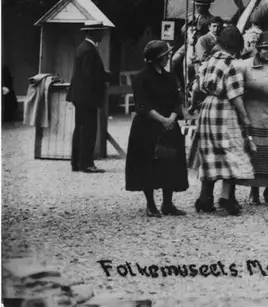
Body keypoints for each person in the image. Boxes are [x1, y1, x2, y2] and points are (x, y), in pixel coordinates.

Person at [189, 27, 257, 216]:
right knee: (232, 153)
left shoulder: (208, 60)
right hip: (225, 110)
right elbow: (235, 95)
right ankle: (226, 199)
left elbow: (196, 87)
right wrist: (245, 118)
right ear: (236, 45)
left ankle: (204, 198)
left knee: (211, 154)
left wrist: (194, 105)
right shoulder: (233, 64)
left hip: (207, 108)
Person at [125, 41, 189, 217]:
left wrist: (172, 119)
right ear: (156, 59)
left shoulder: (170, 77)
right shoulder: (141, 78)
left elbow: (178, 101)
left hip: (169, 125)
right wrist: (163, 120)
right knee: (148, 164)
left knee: (170, 163)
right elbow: (143, 105)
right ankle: (150, 204)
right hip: (147, 127)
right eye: (165, 55)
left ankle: (167, 203)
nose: (168, 57)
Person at [235, 31, 268, 206]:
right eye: (265, 48)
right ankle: (254, 192)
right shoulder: (245, 66)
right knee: (256, 156)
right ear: (258, 48)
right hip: (254, 117)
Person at [67, 22, 111, 174]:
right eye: (101, 32)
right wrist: (105, 76)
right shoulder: (89, 50)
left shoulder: (83, 47)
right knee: (88, 130)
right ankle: (86, 164)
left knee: (80, 128)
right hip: (87, 96)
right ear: (93, 33)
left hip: (80, 95)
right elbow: (90, 74)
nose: (103, 35)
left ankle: (77, 162)